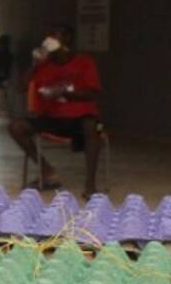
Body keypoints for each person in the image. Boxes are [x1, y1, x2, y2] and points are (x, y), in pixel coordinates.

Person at [8, 25, 102, 196]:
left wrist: (66, 92)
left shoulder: (84, 62)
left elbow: (92, 93)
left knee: (91, 126)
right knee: (16, 127)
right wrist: (34, 65)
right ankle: (47, 171)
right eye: (48, 35)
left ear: (67, 40)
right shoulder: (44, 65)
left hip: (80, 117)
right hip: (52, 116)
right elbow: (21, 87)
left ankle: (90, 185)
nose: (49, 39)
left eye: (55, 36)